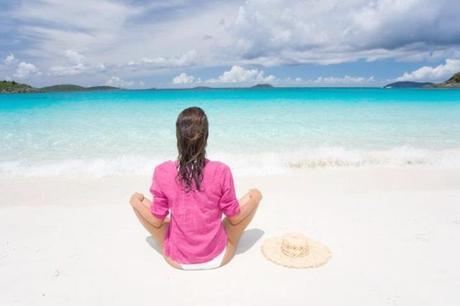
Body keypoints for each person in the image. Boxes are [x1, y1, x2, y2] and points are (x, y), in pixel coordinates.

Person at [129, 106, 262, 270]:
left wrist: (135, 201)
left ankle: (173, 234)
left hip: (178, 260)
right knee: (251, 200)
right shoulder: (221, 171)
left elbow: (156, 220)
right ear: (206, 136)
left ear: (178, 137)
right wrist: (255, 197)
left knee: (148, 209)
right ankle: (256, 197)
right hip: (218, 256)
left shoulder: (163, 171)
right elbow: (233, 217)